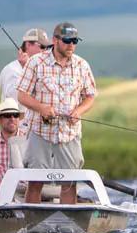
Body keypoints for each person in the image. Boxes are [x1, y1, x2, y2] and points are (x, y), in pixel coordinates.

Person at [16, 21, 97, 204]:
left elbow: (90, 97)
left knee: (69, 183)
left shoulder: (82, 66)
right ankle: (32, 224)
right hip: (40, 132)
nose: (71, 45)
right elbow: (22, 95)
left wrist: (79, 110)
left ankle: (68, 227)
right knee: (35, 181)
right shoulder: (36, 62)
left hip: (70, 133)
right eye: (67, 40)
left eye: (75, 41)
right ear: (55, 40)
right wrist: (41, 108)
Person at [0, 28, 49, 134]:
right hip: (18, 131)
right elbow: (15, 98)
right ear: (28, 45)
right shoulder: (12, 70)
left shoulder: (41, 69)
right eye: (42, 47)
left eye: (48, 47)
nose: (46, 51)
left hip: (37, 131)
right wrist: (26, 68)